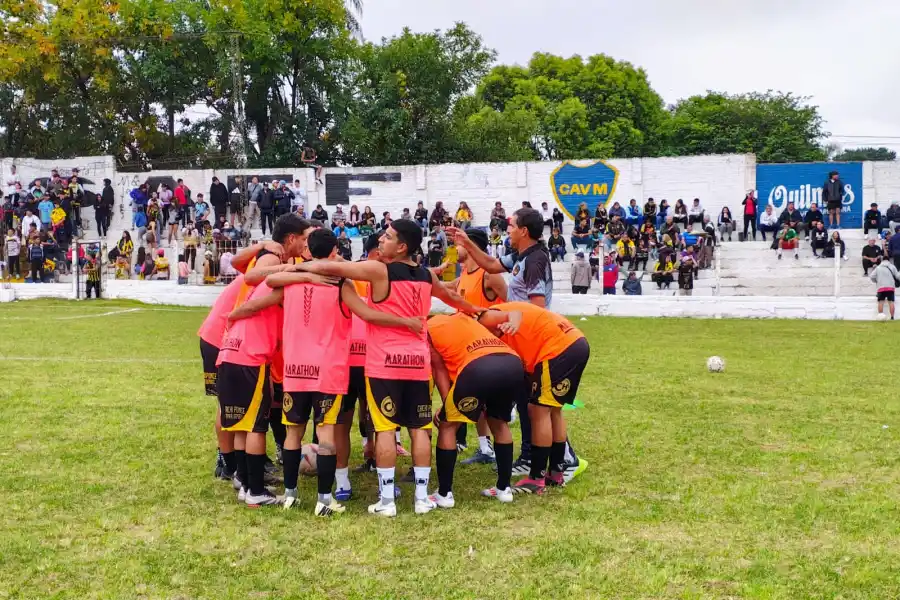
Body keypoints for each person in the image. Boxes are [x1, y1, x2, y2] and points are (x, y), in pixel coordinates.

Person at [288, 219, 481, 517]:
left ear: (401, 246)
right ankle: (420, 498)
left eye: (388, 236)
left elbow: (333, 268)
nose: (381, 239)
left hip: (384, 365)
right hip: (418, 364)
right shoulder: (426, 276)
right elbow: (452, 297)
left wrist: (296, 268)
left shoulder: (379, 270)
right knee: (419, 429)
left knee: (386, 429)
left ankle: (387, 501)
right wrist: (479, 311)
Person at [231, 229, 424, 516]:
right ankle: (324, 499)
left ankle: (290, 495)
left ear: (307, 250)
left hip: (295, 372)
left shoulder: (289, 283)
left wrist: (236, 314)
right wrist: (406, 322)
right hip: (328, 372)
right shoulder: (339, 284)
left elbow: (267, 283)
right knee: (325, 435)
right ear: (334, 251)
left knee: (292, 434)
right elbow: (368, 314)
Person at [447, 210, 583, 480]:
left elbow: (538, 307)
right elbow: (491, 263)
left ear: (523, 231)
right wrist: (467, 241)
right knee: (531, 403)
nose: (507, 229)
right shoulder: (521, 257)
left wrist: (520, 332)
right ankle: (537, 457)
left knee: (537, 405)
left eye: (511, 225)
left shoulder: (535, 260)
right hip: (522, 338)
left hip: (534, 340)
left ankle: (556, 458)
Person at [476, 304, 591, 494]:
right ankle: (555, 472)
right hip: (572, 342)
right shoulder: (491, 316)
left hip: (557, 348)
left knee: (538, 410)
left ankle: (537, 478)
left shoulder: (485, 318)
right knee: (553, 410)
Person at [427, 313, 524, 507]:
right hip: (512, 362)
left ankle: (444, 494)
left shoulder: (428, 330)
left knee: (448, 425)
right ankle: (504, 489)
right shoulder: (463, 320)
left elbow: (439, 370)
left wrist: (448, 406)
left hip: (477, 366)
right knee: (499, 422)